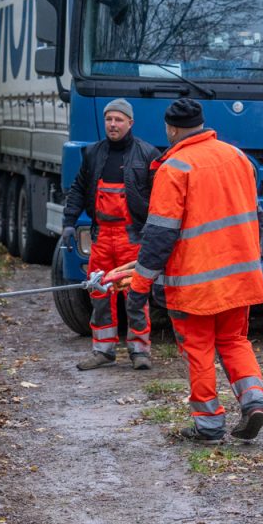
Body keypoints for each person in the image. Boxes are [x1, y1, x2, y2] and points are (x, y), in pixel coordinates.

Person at [112, 97, 263, 443]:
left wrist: (140, 284)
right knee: (234, 340)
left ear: (171, 128)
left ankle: (209, 424)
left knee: (198, 349)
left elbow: (159, 235)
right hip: (239, 275)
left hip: (194, 282)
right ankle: (254, 400)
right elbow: (257, 218)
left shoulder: (175, 167)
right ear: (201, 124)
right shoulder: (238, 158)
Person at [62, 98, 161, 371]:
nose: (113, 124)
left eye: (118, 120)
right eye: (109, 119)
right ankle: (103, 351)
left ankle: (140, 352)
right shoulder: (93, 153)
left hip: (133, 238)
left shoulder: (148, 154)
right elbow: (79, 189)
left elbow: (159, 197)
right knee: (99, 294)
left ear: (130, 123)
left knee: (136, 295)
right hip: (102, 237)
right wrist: (69, 221)